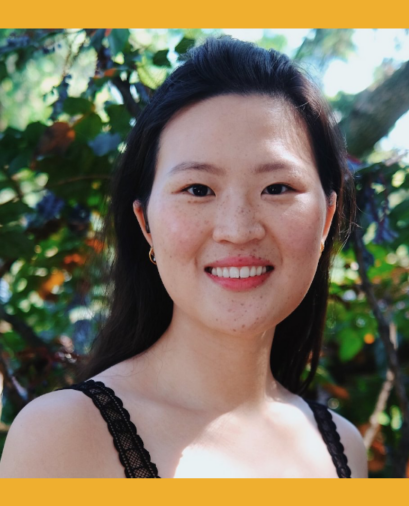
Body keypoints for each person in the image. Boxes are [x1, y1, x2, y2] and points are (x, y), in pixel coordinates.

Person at [0, 37, 367, 478]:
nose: (237, 229)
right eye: (198, 190)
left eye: (277, 188)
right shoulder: (63, 437)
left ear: (327, 217)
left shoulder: (343, 448)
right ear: (145, 222)